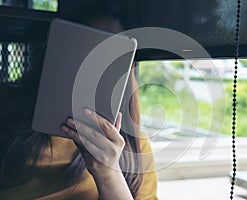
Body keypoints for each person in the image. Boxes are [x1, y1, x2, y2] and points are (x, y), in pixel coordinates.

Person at [0, 1, 158, 199]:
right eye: (87, 49)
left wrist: (108, 173)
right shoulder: (7, 106)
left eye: (112, 53)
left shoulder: (134, 146)